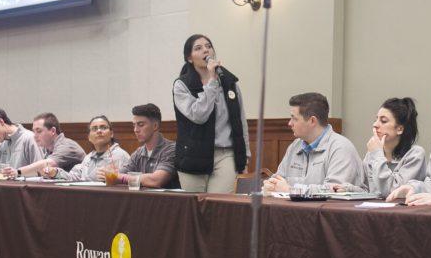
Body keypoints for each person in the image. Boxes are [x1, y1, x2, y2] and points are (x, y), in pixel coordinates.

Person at [172, 34, 250, 194]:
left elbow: (240, 121)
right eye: (198, 48)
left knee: (219, 207)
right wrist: (211, 82)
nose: (205, 50)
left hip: (226, 154)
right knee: (195, 209)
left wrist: (245, 155)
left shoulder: (229, 82)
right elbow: (199, 116)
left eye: (208, 46)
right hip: (194, 154)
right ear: (189, 58)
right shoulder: (182, 85)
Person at [263, 92, 366, 192]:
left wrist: (292, 190)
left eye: (294, 118)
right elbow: (278, 180)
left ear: (312, 121)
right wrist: (271, 185)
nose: (290, 123)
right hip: (295, 209)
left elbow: (334, 191)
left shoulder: (341, 148)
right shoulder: (295, 146)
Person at [363, 97, 427, 197]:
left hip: (401, 210)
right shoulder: (373, 152)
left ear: (400, 129)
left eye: (383, 121)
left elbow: (391, 191)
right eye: (376, 119)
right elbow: (366, 189)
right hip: (373, 210)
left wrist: (377, 154)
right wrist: (347, 189)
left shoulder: (415, 154)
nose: (375, 125)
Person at [108, 103, 179, 189]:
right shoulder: (138, 152)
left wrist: (120, 177)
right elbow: (118, 175)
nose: (135, 130)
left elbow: (156, 181)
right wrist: (110, 173)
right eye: (134, 125)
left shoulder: (171, 149)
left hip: (167, 201)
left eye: (140, 125)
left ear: (155, 126)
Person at [43, 115, 131, 182]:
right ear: (89, 137)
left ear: (111, 134)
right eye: (94, 129)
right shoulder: (88, 157)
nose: (99, 131)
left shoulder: (120, 156)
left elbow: (126, 182)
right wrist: (55, 172)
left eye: (103, 127)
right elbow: (74, 177)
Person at [0, 107, 42, 177]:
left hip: (25, 186)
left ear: (1, 122)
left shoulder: (29, 138)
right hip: (5, 186)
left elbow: (40, 171)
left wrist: (19, 173)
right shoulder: (1, 144)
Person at [18, 112, 85, 177]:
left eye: (39, 131)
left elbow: (46, 165)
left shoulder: (66, 146)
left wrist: (18, 172)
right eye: (34, 131)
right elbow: (41, 172)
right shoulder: (47, 148)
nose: (35, 136)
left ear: (53, 131)